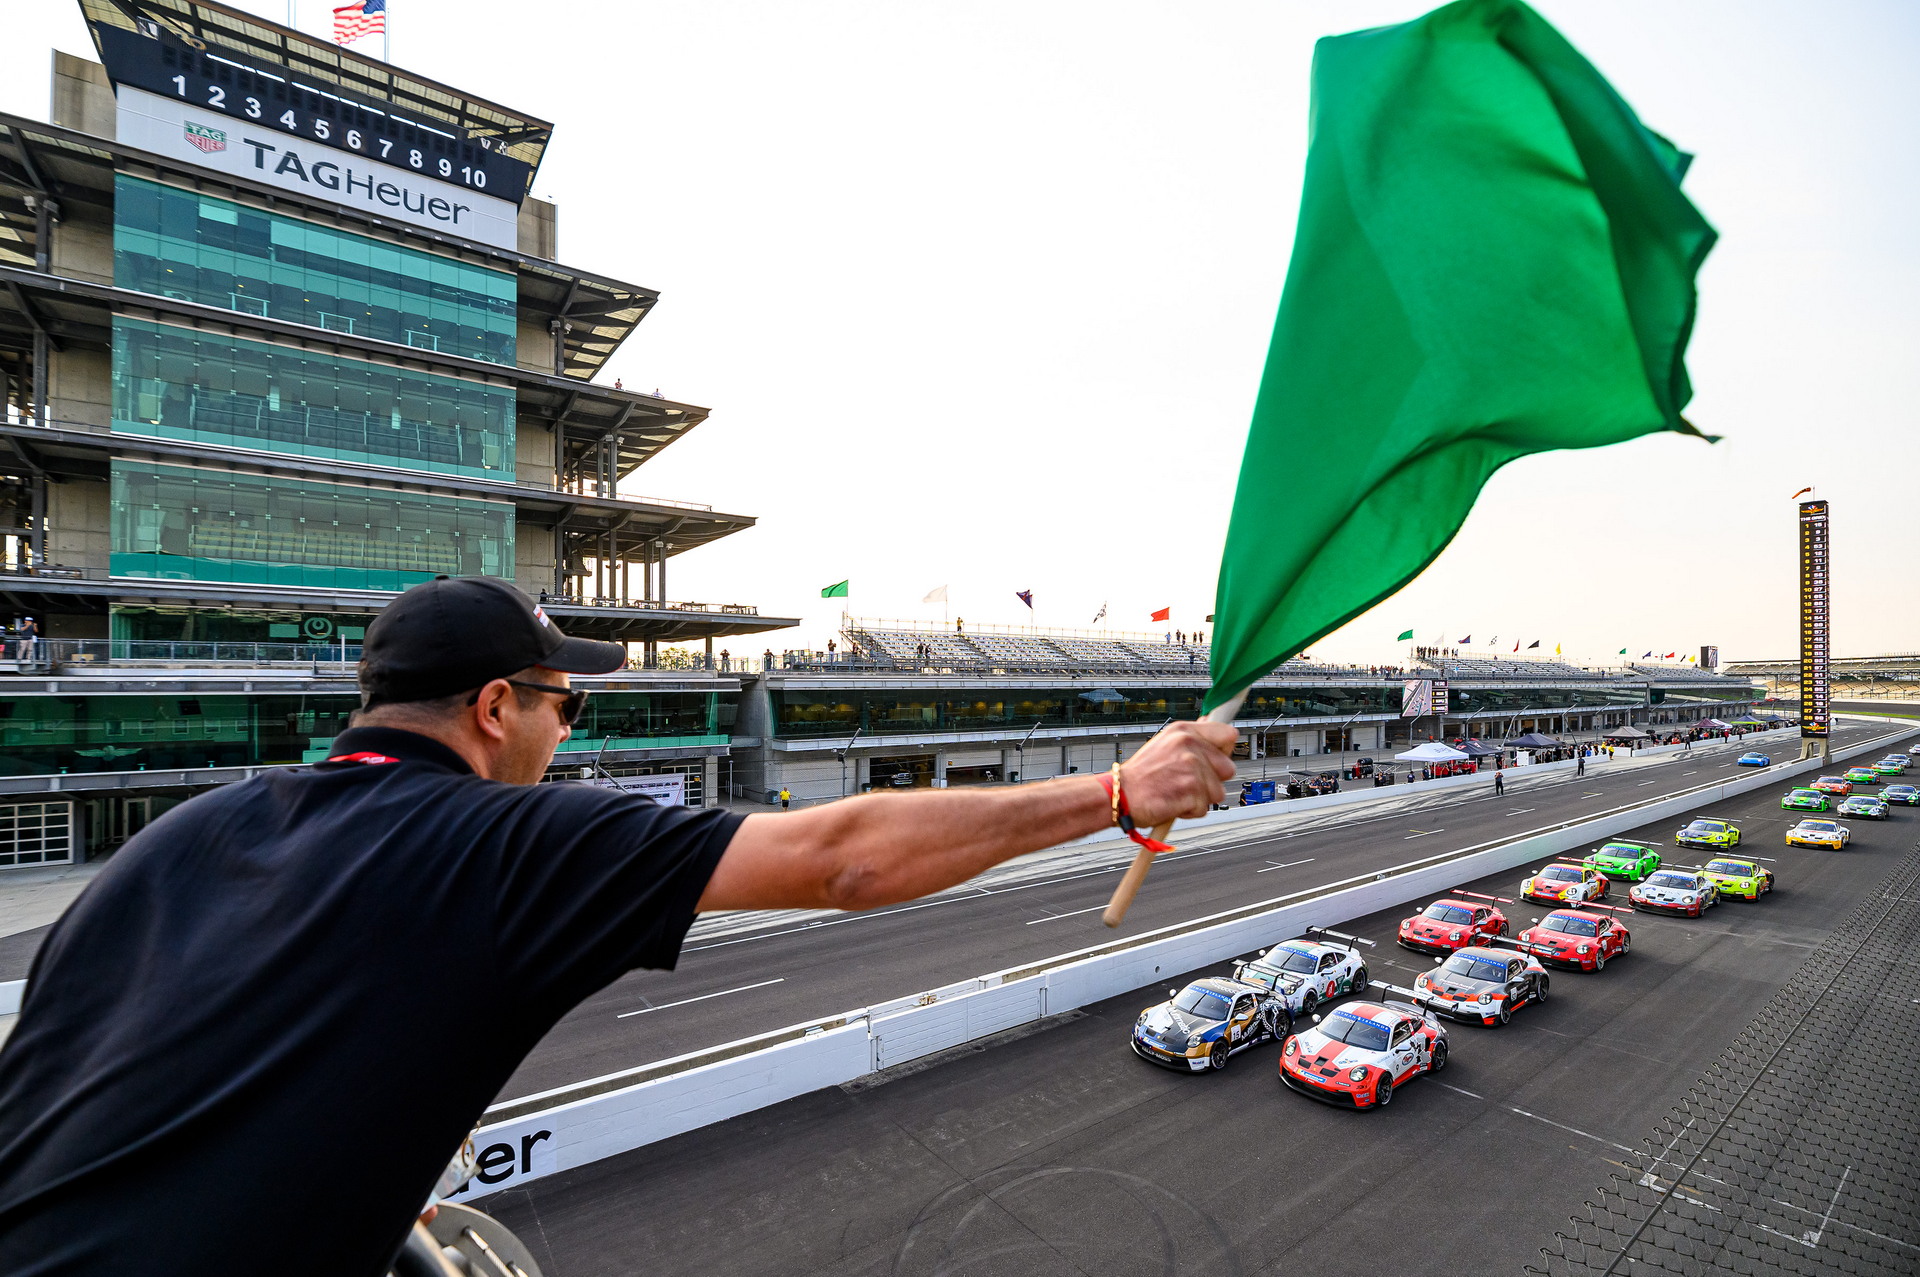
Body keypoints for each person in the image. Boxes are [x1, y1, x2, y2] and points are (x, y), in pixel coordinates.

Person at [0, 576, 1235, 1275]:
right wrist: (1118, 792)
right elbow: (844, 857)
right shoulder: (503, 840)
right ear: (496, 707)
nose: (567, 732)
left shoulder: (175, 839)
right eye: (566, 705)